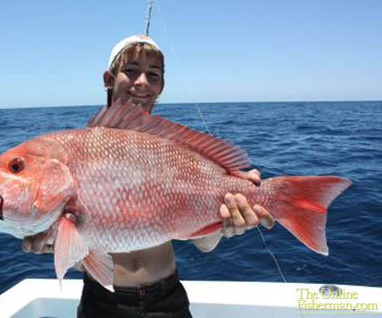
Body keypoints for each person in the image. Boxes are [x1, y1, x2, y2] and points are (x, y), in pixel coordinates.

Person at [22, 34, 275, 318]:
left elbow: (204, 244)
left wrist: (226, 224)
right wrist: (57, 245)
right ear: (109, 78)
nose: (142, 82)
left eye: (152, 75)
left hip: (167, 300)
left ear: (161, 86)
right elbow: (85, 259)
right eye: (130, 71)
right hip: (101, 301)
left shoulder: (178, 151)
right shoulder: (78, 152)